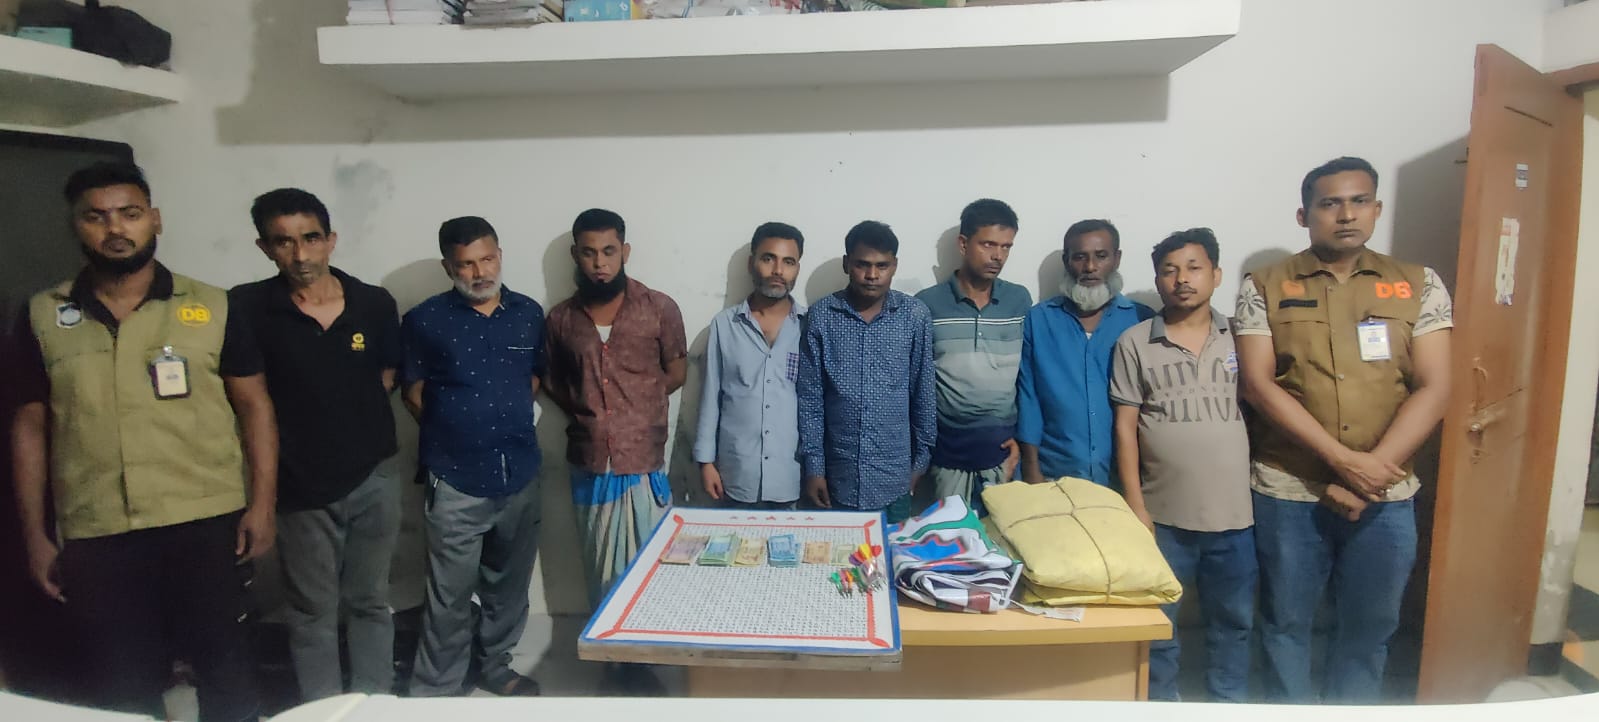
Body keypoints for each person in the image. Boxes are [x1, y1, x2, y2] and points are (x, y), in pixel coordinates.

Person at [9, 162, 274, 721]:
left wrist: (263, 505)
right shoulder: (42, 315)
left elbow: (255, 407)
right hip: (99, 529)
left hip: (203, 519)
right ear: (76, 226)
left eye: (129, 214)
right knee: (121, 683)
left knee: (227, 672)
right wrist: (35, 533)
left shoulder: (213, 306)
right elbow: (30, 426)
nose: (115, 228)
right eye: (96, 217)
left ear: (155, 219)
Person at [1234, 156, 1452, 703]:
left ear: (1377, 209)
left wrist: (1368, 474)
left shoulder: (1419, 284)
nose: (1346, 215)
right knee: (1285, 623)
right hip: (1290, 488)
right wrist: (1343, 461)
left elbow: (1435, 387)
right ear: (1304, 214)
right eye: (1330, 203)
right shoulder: (1264, 285)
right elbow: (1259, 385)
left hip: (1386, 493)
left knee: (1370, 627)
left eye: (1358, 202)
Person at [228, 188, 402, 701]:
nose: (300, 255)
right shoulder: (247, 307)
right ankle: (323, 710)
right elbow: (249, 398)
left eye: (310, 239)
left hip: (373, 476)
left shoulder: (373, 303)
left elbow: (385, 376)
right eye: (283, 242)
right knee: (311, 612)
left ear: (331, 240)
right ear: (264, 247)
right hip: (299, 486)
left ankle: (374, 705)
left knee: (371, 601)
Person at [401, 216, 545, 697]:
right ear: (449, 267)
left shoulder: (527, 313)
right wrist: (459, 434)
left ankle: (495, 667)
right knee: (449, 596)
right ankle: (436, 692)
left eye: (486, 259)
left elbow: (534, 378)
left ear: (499, 256)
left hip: (520, 474)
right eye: (466, 264)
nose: (480, 272)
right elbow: (413, 393)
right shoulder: (424, 320)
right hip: (456, 480)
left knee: (509, 587)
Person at [1110, 228, 1254, 702]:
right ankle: (1160, 705)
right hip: (1164, 516)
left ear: (1216, 274)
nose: (1182, 280)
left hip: (1236, 516)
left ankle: (1228, 704)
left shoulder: (1243, 337)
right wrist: (1136, 505)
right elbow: (1125, 427)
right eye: (1169, 271)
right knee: (1159, 626)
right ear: (1158, 280)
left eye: (1194, 268)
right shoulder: (1135, 342)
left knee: (1233, 622)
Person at [544, 208, 687, 606]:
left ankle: (648, 642)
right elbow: (551, 380)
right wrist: (590, 410)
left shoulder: (659, 308)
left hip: (644, 465)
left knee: (655, 575)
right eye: (589, 253)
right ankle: (610, 648)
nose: (600, 263)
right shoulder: (561, 319)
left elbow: (676, 372)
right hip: (591, 467)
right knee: (602, 576)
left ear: (625, 252)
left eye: (609, 251)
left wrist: (637, 408)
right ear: (575, 255)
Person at [797, 220, 935, 521]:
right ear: (847, 264)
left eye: (882, 265)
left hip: (894, 478)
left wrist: (920, 463)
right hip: (837, 478)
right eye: (863, 264)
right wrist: (814, 468)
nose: (872, 275)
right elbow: (810, 400)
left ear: (895, 266)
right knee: (836, 551)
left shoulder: (914, 316)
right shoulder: (822, 316)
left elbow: (923, 392)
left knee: (890, 550)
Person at [913, 199, 1032, 513]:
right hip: (946, 456)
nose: (998, 256)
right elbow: (915, 385)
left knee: (1000, 538)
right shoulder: (927, 304)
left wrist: (1021, 439)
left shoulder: (1018, 300)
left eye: (1006, 247)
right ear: (964, 244)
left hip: (1003, 454)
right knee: (950, 538)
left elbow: (1027, 377)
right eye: (988, 244)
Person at [1017, 219, 1155, 485]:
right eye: (1080, 257)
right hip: (1054, 474)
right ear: (1067, 261)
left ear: (1117, 259)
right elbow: (1029, 398)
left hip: (1124, 478)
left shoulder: (1140, 320)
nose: (1090, 267)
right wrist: (1032, 469)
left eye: (1101, 256)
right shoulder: (1039, 320)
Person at [694, 222, 806, 510]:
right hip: (735, 476)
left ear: (797, 269)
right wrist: (705, 462)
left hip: (791, 476)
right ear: (751, 263)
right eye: (768, 259)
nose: (778, 270)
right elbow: (710, 396)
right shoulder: (725, 325)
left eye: (788, 262)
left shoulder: (810, 326)